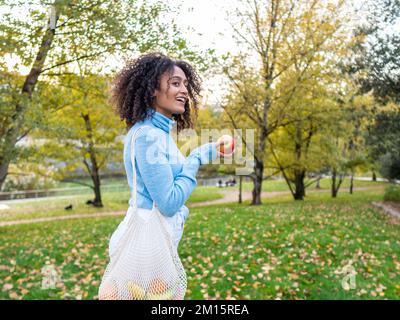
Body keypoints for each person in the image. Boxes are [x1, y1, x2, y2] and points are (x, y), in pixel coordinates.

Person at [108, 52, 225, 255]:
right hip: (144, 248)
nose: (184, 91)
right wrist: (195, 159)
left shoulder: (158, 133)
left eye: (185, 84)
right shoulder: (147, 135)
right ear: (153, 89)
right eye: (175, 83)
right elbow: (168, 203)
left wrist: (210, 150)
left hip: (154, 242)